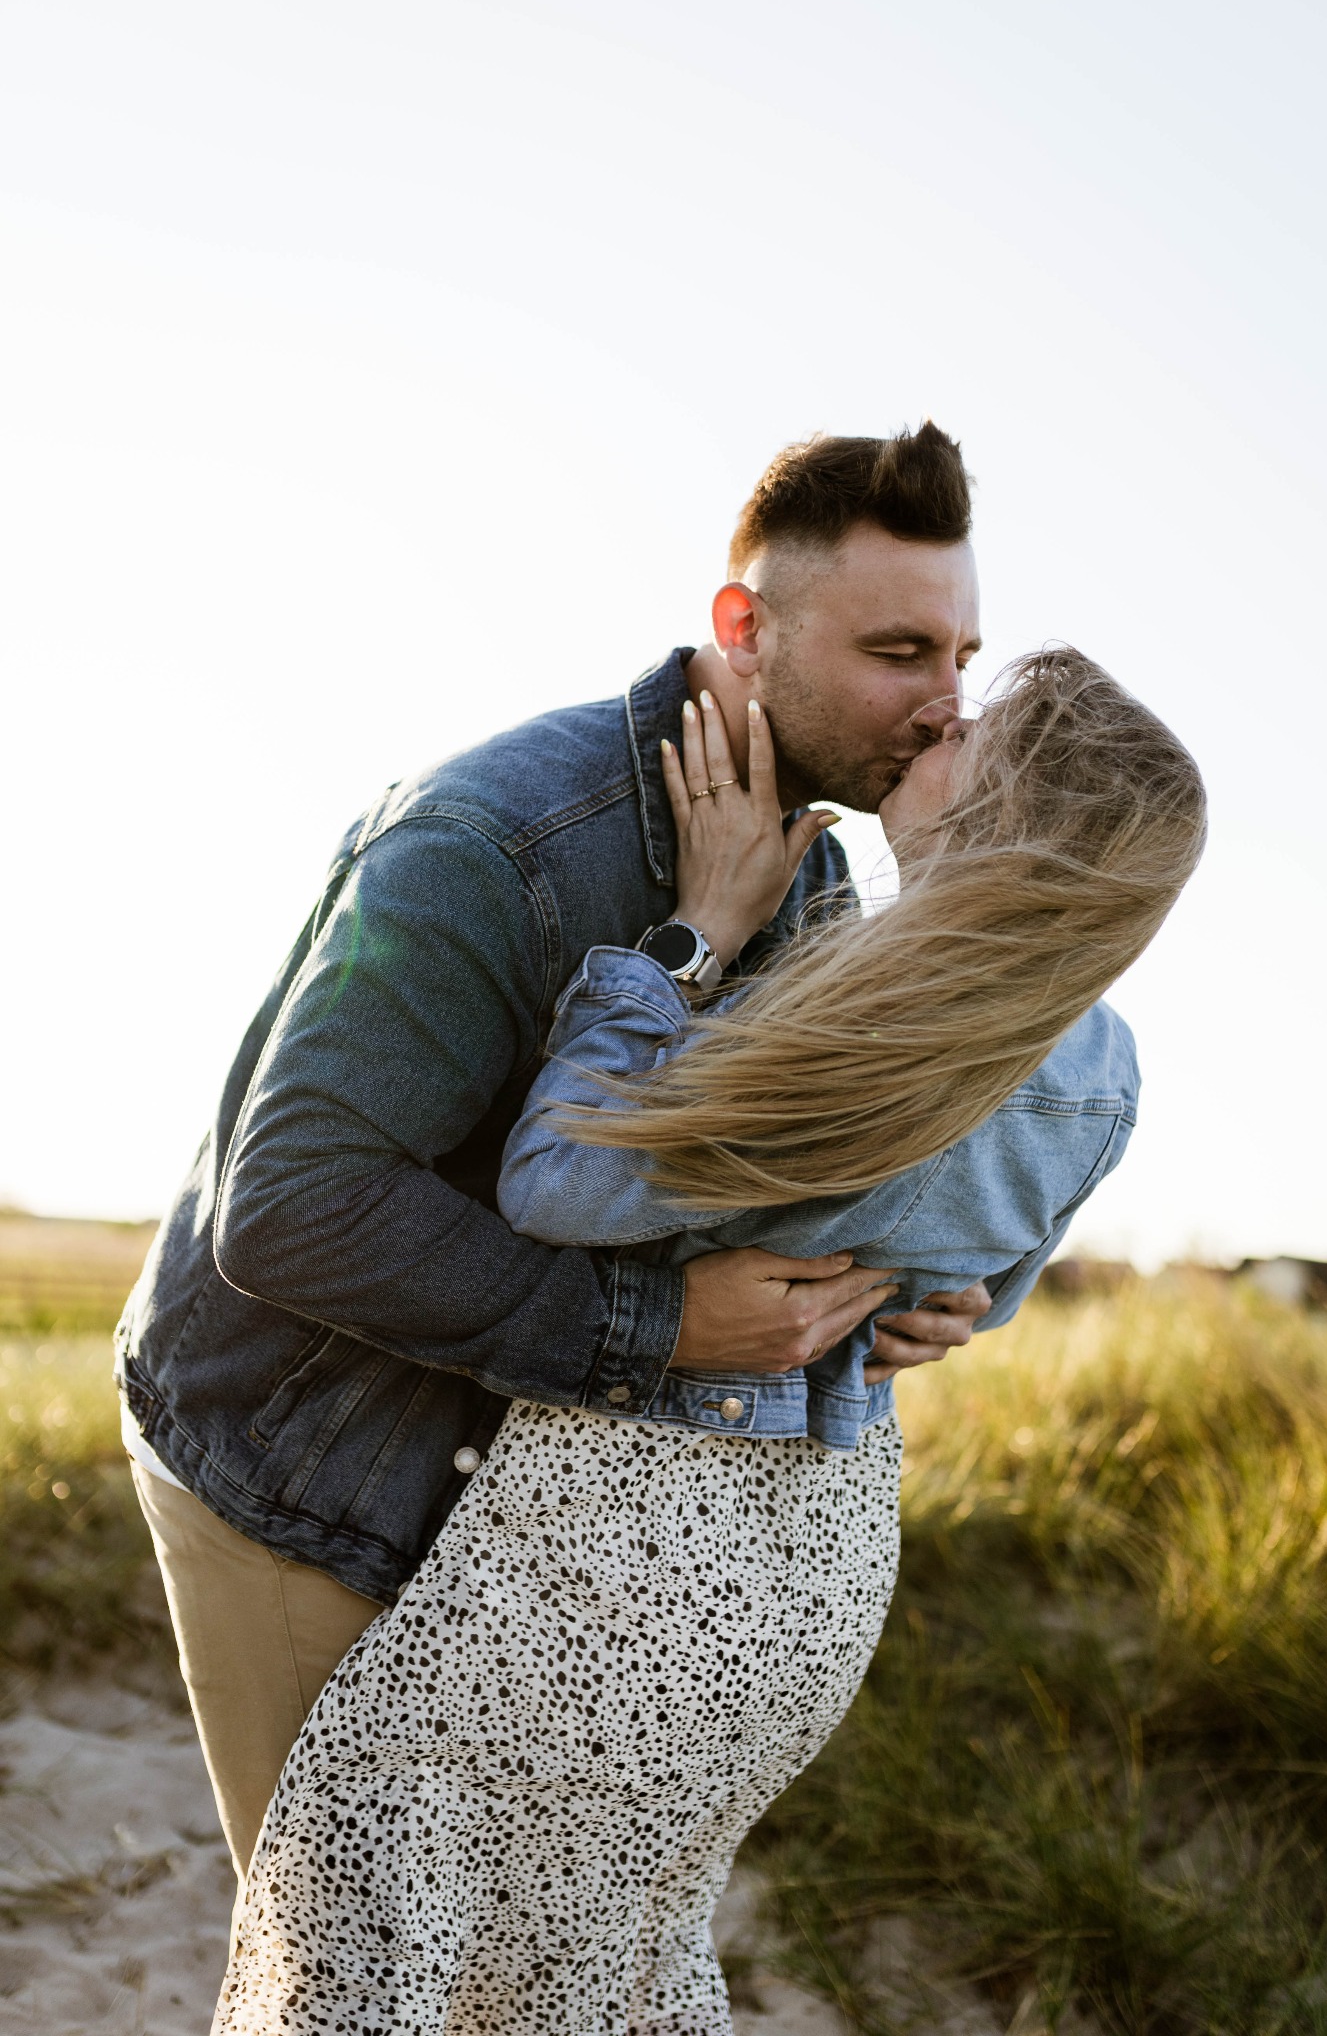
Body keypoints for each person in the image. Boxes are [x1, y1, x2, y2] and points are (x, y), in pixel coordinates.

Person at [212, 645, 1206, 2032]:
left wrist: (690, 940)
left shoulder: (856, 1018)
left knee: (381, 1912)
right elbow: (993, 1297)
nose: (940, 715)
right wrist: (936, 1298)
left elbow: (556, 1183)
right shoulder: (1106, 1064)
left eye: (972, 730)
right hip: (824, 1566)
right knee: (621, 1939)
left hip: (637, 1552)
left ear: (1008, 816)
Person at [119, 423, 997, 1889]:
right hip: (307, 1473)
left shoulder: (823, 873)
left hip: (524, 1511)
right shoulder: (504, 837)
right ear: (746, 628)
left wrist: (893, 1288)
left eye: (964, 654)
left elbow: (726, 1179)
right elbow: (291, 1207)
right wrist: (664, 1325)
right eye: (898, 652)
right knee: (338, 1950)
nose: (945, 704)